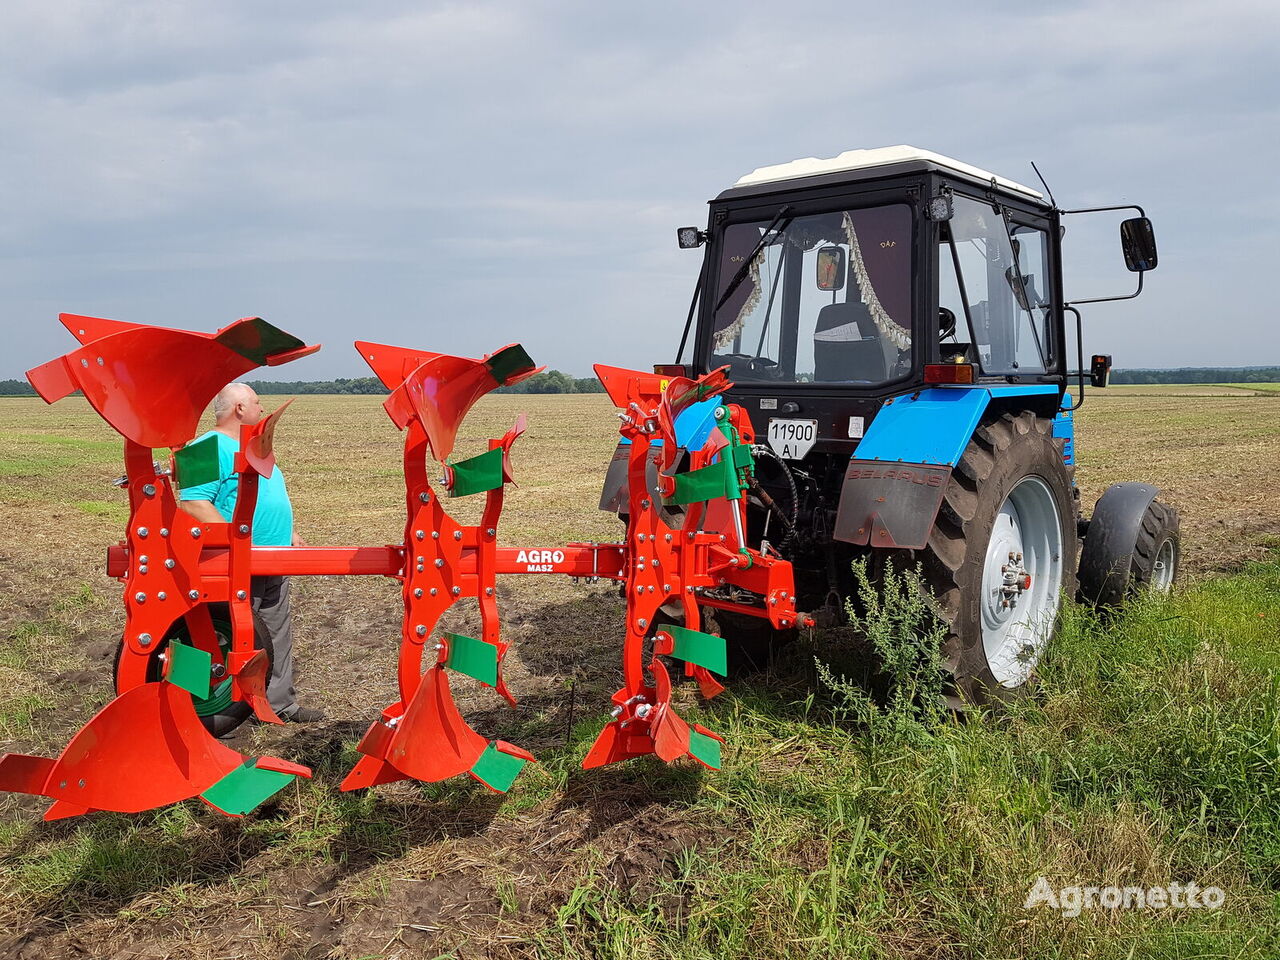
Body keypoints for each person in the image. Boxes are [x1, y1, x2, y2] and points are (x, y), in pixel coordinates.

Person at [178, 382, 324, 724]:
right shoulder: (204, 448)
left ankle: (279, 704)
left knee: (275, 633)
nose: (262, 409)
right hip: (236, 562)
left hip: (273, 557)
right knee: (226, 635)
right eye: (257, 402)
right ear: (239, 409)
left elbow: (266, 496)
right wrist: (231, 545)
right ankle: (208, 712)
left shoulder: (254, 448)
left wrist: (288, 531)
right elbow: (192, 504)